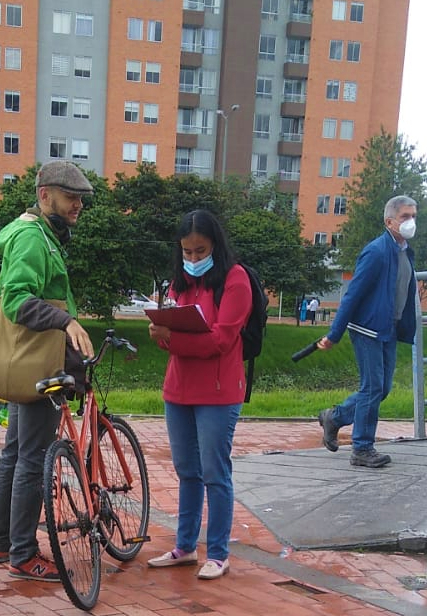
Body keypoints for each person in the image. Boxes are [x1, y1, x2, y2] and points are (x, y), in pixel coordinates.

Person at [0, 160, 95, 581]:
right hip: (36, 362)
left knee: (15, 453)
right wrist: (65, 321)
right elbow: (17, 299)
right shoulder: (33, 238)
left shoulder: (35, 233)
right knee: (32, 458)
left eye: (81, 200)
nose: (77, 206)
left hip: (23, 360)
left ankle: (3, 543)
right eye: (71, 198)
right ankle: (24, 552)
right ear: (45, 194)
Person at [146, 210, 252, 580]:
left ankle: (219, 553)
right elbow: (174, 343)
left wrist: (172, 338)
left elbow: (222, 340)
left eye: (200, 251)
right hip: (178, 389)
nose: (193, 259)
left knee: (214, 472)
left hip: (219, 393)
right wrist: (161, 336)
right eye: (187, 252)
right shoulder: (179, 283)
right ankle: (185, 547)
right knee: (187, 471)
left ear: (215, 246)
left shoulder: (235, 280)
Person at [316, 195, 418, 468]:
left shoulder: (405, 251)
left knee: (381, 389)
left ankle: (335, 417)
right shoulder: (376, 251)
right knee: (372, 388)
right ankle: (362, 448)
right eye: (405, 217)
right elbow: (353, 295)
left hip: (389, 330)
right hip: (368, 330)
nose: (411, 222)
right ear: (390, 221)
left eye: (413, 216)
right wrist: (334, 334)